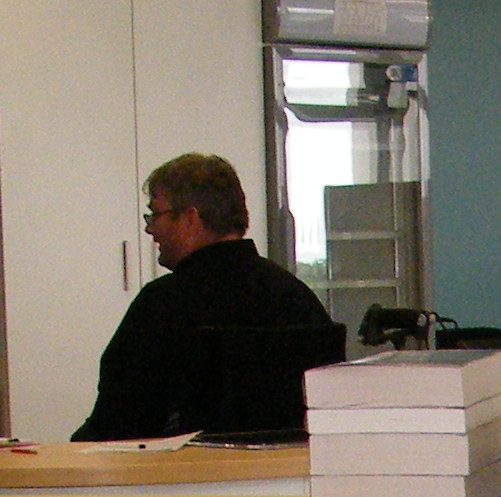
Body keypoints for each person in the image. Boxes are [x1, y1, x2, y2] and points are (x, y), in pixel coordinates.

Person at [76, 153, 338, 442]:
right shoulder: (296, 296)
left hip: (181, 469)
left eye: (156, 215)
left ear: (190, 218)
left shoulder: (162, 304)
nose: (150, 228)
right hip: (292, 467)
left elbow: (116, 422)